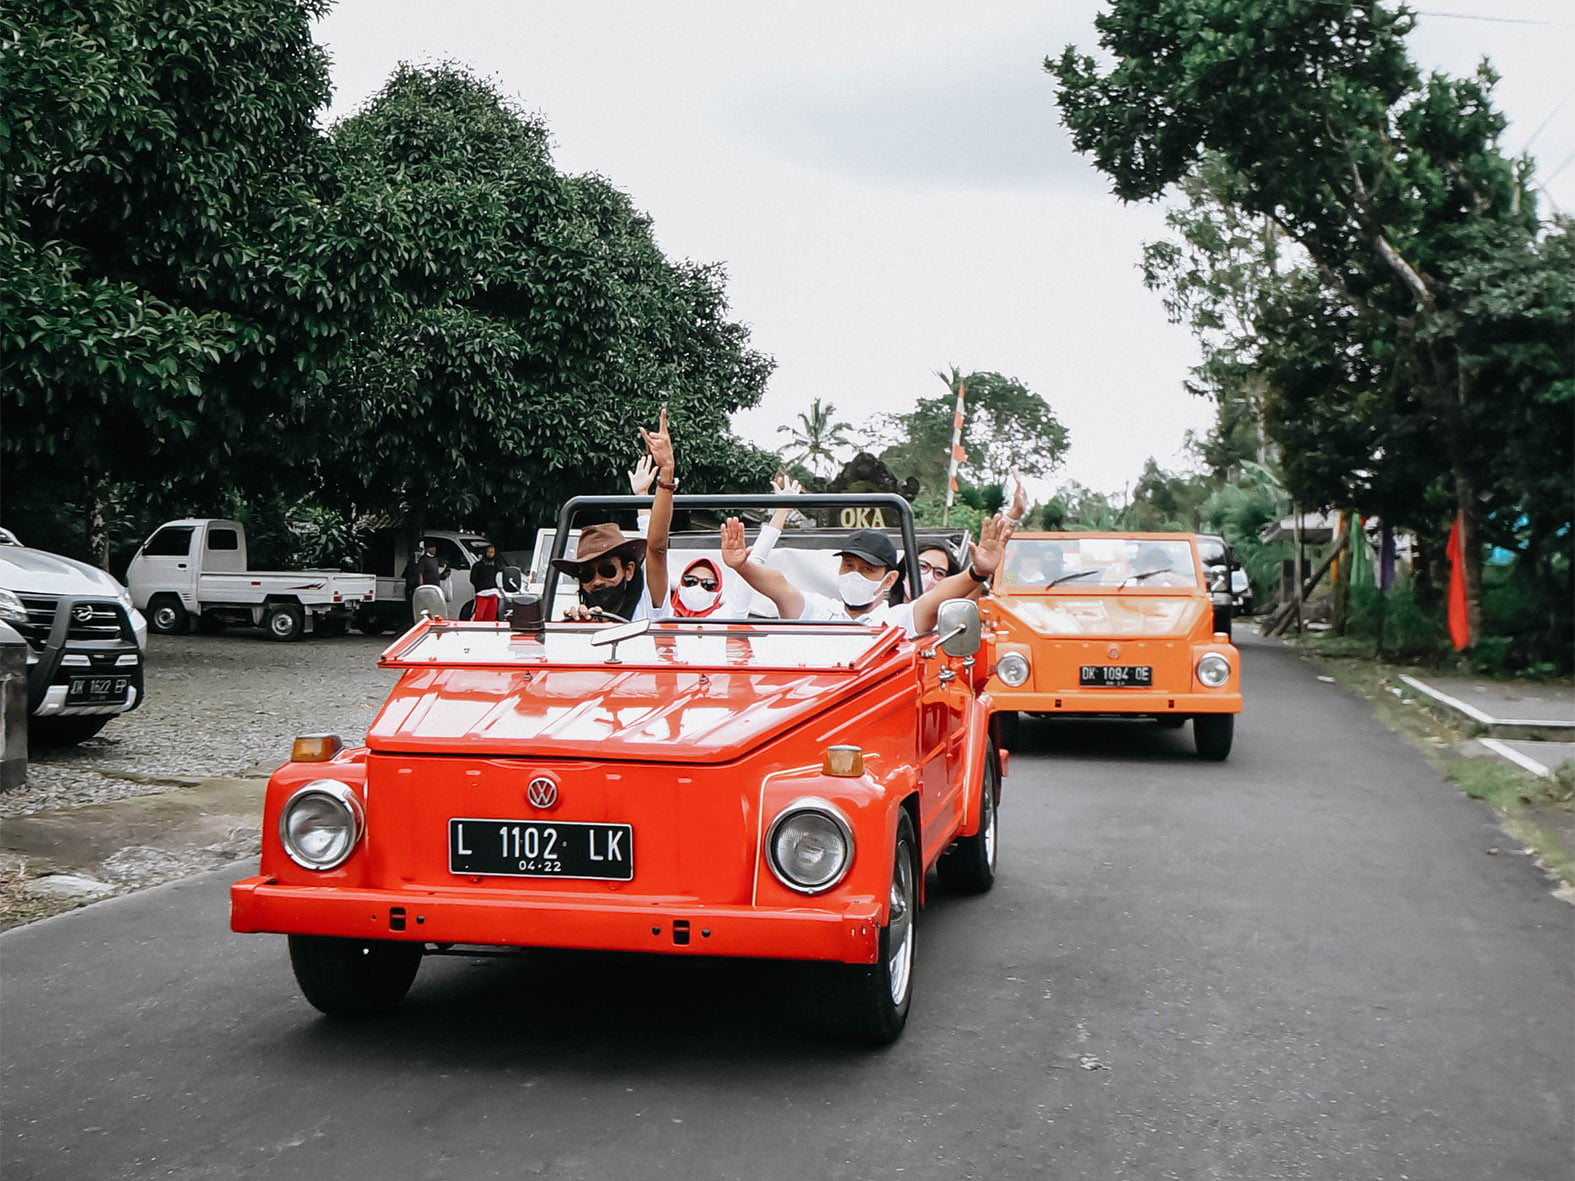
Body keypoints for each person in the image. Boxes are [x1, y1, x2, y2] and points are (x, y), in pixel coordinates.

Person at [720, 514, 1015, 638]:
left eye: (867, 569)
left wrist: (977, 572)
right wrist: (743, 566)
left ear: (889, 580)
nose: (855, 574)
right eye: (848, 566)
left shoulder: (900, 620)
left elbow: (938, 596)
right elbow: (780, 587)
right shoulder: (818, 611)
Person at [635, 409, 796, 619]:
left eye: (709, 585)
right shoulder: (662, 612)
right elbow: (654, 548)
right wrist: (643, 494)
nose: (698, 588)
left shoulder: (730, 616)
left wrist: (783, 509)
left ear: (718, 591)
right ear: (680, 584)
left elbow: (756, 559)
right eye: (690, 581)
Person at [551, 523, 653, 621]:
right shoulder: (583, 621)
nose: (597, 581)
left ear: (628, 571)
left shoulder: (647, 610)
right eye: (587, 575)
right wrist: (578, 626)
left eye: (607, 571)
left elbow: (657, 548)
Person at [468, 543, 505, 621]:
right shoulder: (478, 565)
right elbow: (473, 579)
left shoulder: (497, 566)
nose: (490, 554)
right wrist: (480, 587)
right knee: (479, 615)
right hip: (481, 594)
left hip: (493, 594)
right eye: (489, 552)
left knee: (491, 616)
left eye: (492, 552)